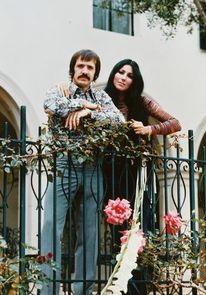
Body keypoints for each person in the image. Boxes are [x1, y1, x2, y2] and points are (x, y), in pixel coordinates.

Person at [41, 49, 125, 295]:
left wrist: (89, 111)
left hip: (92, 168)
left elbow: (118, 121)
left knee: (89, 233)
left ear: (95, 72)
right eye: (81, 66)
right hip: (64, 166)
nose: (85, 71)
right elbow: (49, 105)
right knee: (50, 226)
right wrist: (82, 103)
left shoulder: (101, 98)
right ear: (73, 69)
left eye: (90, 68)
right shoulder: (60, 90)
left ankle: (83, 291)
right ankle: (47, 290)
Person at [104, 59, 182, 294]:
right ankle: (118, 286)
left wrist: (150, 129)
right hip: (110, 172)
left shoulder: (142, 102)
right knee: (116, 230)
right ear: (113, 74)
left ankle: (139, 287)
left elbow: (175, 123)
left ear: (134, 82)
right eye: (120, 72)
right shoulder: (102, 99)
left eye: (129, 75)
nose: (123, 77)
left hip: (137, 172)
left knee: (138, 228)